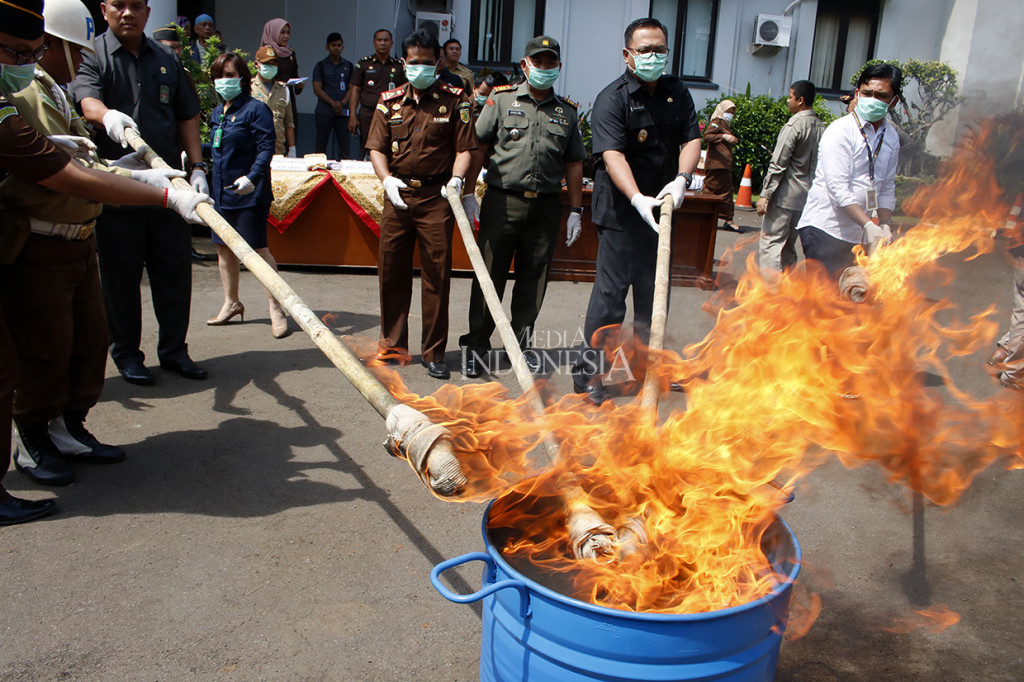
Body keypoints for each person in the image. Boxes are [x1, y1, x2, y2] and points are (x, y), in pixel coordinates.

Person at [0, 0, 209, 506]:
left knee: (86, 343)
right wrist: (160, 194)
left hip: (76, 235)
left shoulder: (48, 85)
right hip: (38, 238)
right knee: (43, 350)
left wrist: (131, 170)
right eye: (23, 52)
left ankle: (69, 427)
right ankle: (34, 440)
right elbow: (65, 174)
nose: (73, 61)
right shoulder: (14, 93)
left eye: (40, 51)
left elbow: (86, 160)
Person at [71, 0, 210, 385]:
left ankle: (175, 351)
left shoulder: (166, 58)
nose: (127, 13)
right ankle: (127, 354)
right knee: (120, 277)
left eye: (136, 6)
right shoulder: (93, 55)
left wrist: (197, 167)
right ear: (104, 9)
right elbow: (87, 101)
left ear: (148, 12)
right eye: (119, 5)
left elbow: (187, 114)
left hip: (169, 185)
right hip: (119, 185)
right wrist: (107, 116)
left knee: (174, 271)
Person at [568, 18, 701, 404]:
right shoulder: (613, 98)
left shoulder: (677, 92)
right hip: (622, 214)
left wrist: (682, 179)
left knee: (654, 296)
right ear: (628, 55)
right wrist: (637, 198)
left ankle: (646, 371)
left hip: (663, 211)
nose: (653, 56)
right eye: (645, 50)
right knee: (610, 298)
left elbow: (692, 139)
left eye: (660, 49)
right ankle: (590, 375)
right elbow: (613, 155)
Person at [458, 35, 585, 378]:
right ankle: (476, 347)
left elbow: (574, 163)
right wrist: (469, 192)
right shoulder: (501, 100)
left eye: (550, 62)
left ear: (558, 66)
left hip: (545, 207)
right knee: (489, 276)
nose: (544, 67)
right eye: (537, 62)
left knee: (534, 279)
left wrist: (576, 210)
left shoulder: (567, 112)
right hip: (503, 202)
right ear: (525, 64)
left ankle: (520, 346)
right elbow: (478, 147)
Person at [365, 29, 475, 379]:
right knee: (391, 272)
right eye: (415, 62)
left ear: (438, 62)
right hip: (398, 195)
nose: (421, 68)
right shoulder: (389, 101)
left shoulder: (455, 100)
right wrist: (386, 179)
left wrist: (457, 180)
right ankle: (393, 346)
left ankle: (434, 352)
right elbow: (376, 148)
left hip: (436, 198)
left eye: (428, 62)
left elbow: (465, 149)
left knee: (436, 276)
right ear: (404, 62)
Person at [203, 52, 289, 339]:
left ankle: (276, 306)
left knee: (257, 251)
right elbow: (218, 146)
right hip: (222, 192)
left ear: (241, 77)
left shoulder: (255, 109)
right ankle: (231, 303)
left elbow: (266, 148)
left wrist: (252, 177)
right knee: (223, 248)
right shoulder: (218, 112)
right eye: (218, 76)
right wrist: (195, 154)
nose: (223, 81)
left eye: (229, 75)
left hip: (251, 193)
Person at [795, 63, 902, 279]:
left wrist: (885, 224)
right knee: (823, 296)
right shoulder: (841, 131)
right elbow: (838, 189)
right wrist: (869, 226)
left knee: (853, 294)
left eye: (881, 95)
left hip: (858, 236)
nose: (872, 99)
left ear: (894, 101)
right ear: (857, 93)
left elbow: (886, 187)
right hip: (826, 229)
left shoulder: (891, 137)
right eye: (867, 93)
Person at [756, 80, 825, 274]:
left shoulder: (794, 125)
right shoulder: (821, 127)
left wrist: (765, 194)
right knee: (788, 244)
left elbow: (778, 163)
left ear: (800, 100)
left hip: (785, 195)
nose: (787, 101)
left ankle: (770, 288)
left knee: (771, 243)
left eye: (790, 97)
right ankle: (788, 287)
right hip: (806, 197)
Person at [349, 29, 406, 158]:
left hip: (391, 113)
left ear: (391, 43)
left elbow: (405, 91)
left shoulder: (398, 66)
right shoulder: (364, 64)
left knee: (389, 144)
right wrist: (352, 115)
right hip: (368, 113)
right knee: (366, 144)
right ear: (374, 42)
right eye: (379, 40)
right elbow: (355, 90)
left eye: (386, 40)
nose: (382, 43)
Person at [311, 32, 353, 159]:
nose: (336, 48)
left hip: (343, 111)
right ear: (327, 47)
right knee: (321, 146)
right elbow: (317, 89)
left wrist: (342, 103)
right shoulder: (320, 66)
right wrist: (333, 103)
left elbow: (352, 88)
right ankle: (319, 169)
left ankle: (344, 170)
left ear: (343, 47)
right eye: (333, 45)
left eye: (339, 45)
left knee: (344, 147)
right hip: (325, 111)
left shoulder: (349, 66)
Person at [252, 45, 296, 157]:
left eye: (274, 64)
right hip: (255, 150)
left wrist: (292, 149)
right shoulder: (249, 88)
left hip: (278, 150)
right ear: (257, 64)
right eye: (267, 64)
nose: (271, 67)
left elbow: (289, 121)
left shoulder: (283, 89)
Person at [260, 18, 302, 136]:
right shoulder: (266, 53)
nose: (286, 36)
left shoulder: (290, 53)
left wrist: (298, 85)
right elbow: (263, 76)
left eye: (288, 32)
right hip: (271, 96)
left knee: (290, 127)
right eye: (282, 32)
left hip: (288, 97)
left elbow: (294, 74)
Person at [702, 99, 739, 231]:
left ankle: (721, 217)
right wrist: (723, 137)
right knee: (713, 190)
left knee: (722, 191)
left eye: (732, 112)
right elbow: (707, 136)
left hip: (722, 164)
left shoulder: (724, 123)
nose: (730, 115)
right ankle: (711, 216)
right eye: (729, 111)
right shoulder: (717, 122)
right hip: (717, 164)